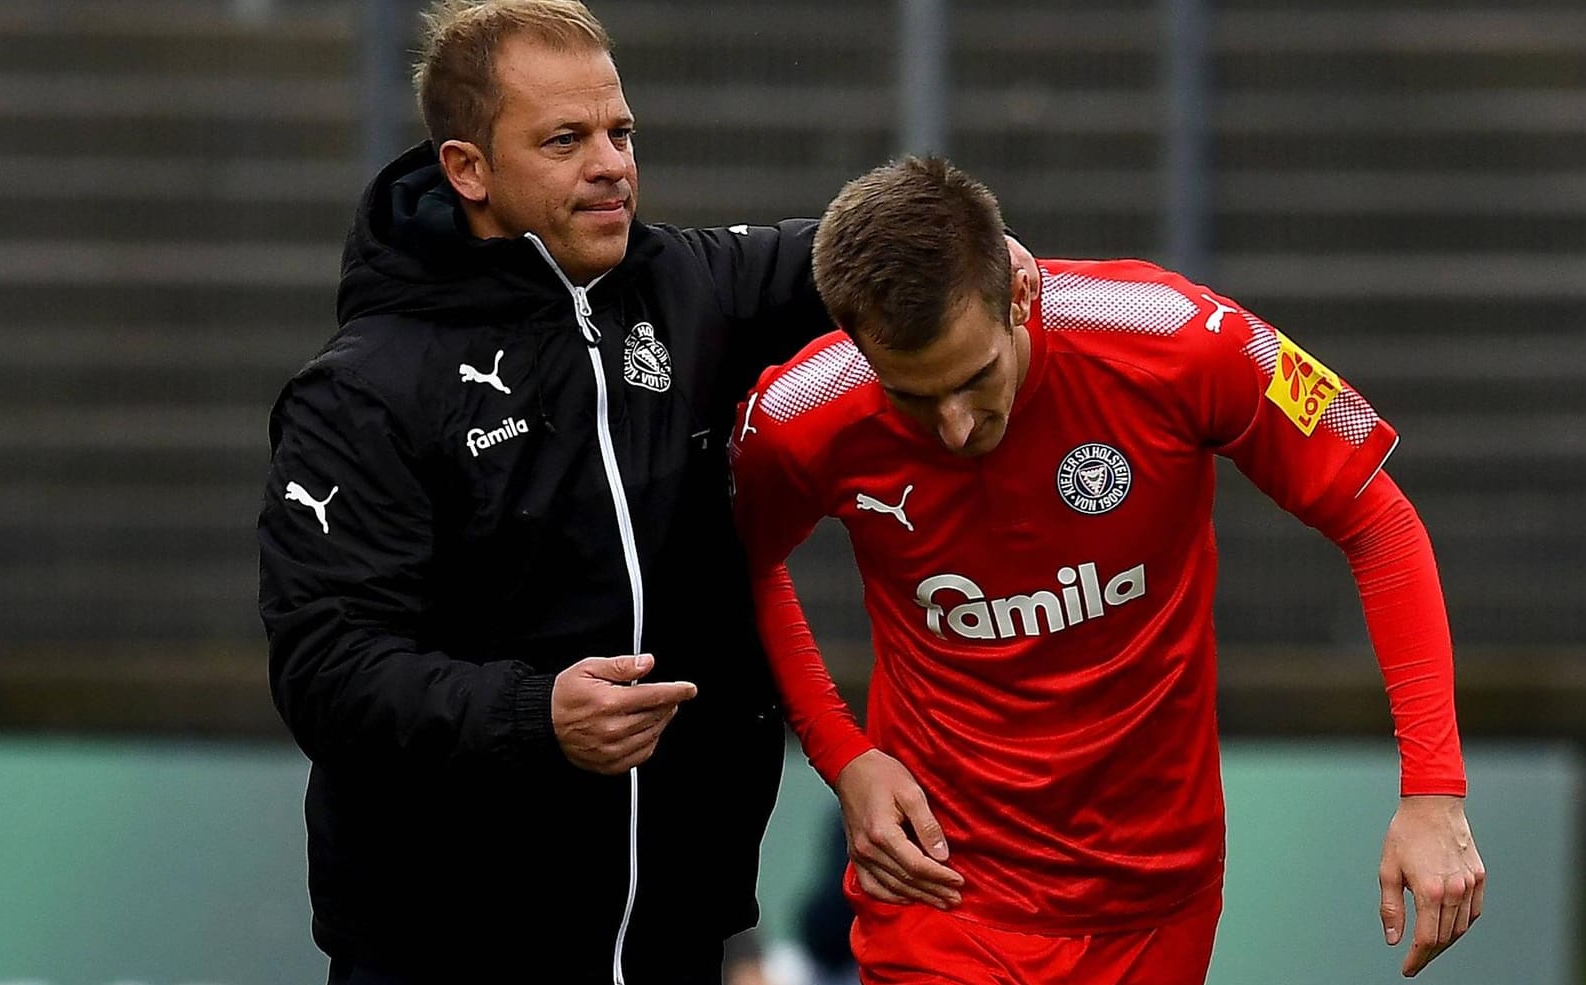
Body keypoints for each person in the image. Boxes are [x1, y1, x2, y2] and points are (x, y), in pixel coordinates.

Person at [256, 3, 1035, 981]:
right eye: (564, 140)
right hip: (446, 947)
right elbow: (326, 670)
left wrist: (979, 259)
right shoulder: (362, 391)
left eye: (620, 131)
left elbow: (868, 256)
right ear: (468, 169)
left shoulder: (686, 288)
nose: (611, 164)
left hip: (678, 934)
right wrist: (532, 713)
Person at [727, 157, 1486, 985]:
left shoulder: (1184, 337)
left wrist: (1433, 789)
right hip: (940, 888)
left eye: (975, 378)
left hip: (1154, 896)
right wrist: (844, 756)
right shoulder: (801, 414)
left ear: (1019, 292)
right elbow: (740, 564)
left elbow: (1377, 520)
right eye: (912, 395)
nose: (952, 426)